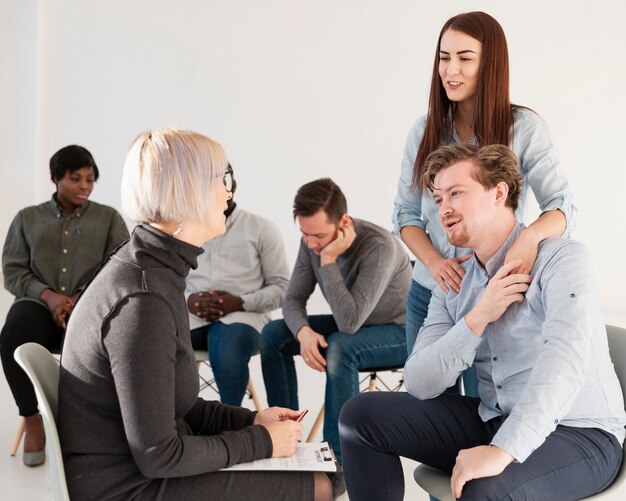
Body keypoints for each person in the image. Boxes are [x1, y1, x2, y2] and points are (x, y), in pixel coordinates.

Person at [57, 129, 332, 501]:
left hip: (142, 471)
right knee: (324, 484)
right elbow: (158, 455)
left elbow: (178, 406)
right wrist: (261, 442)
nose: (229, 192)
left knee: (334, 475)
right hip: (126, 487)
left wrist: (251, 420)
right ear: (188, 191)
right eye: (222, 179)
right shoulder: (143, 298)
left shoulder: (155, 270)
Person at [340, 143, 626, 501]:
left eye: (456, 193)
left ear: (498, 192)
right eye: (439, 198)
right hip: (494, 419)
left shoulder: (562, 259)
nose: (443, 208)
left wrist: (503, 450)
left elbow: (564, 360)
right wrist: (478, 317)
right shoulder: (455, 283)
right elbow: (420, 382)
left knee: (483, 490)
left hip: (579, 433)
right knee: (360, 415)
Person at [392, 12, 576, 392]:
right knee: (427, 413)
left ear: (489, 62)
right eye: (444, 57)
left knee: (485, 411)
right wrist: (436, 263)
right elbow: (405, 215)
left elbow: (562, 206)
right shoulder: (423, 131)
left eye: (465, 57)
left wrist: (528, 240)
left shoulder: (522, 128)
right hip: (430, 293)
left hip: (490, 294)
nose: (451, 69)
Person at [261, 178, 412, 466]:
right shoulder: (311, 242)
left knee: (341, 346)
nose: (311, 243)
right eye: (305, 234)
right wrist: (304, 332)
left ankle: (337, 463)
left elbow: (348, 323)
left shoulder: (380, 247)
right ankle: (284, 439)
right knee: (273, 334)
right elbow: (292, 300)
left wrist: (328, 261)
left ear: (343, 222)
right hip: (355, 328)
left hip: (400, 333)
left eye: (318, 236)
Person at [0, 145, 129, 467]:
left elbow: (120, 266)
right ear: (56, 178)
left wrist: (80, 299)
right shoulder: (27, 218)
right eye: (75, 178)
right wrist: (49, 296)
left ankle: (98, 430)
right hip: (37, 305)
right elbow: (13, 270)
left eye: (90, 179)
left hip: (91, 306)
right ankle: (33, 421)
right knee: (13, 334)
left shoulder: (109, 218)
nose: (84, 186)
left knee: (122, 334)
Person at [186, 165, 289, 406]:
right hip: (191, 319)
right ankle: (175, 428)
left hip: (244, 320)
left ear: (232, 186)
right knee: (156, 340)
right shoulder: (185, 231)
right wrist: (188, 301)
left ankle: (232, 430)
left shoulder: (262, 229)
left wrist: (239, 302)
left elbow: (282, 288)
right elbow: (168, 282)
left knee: (227, 347)